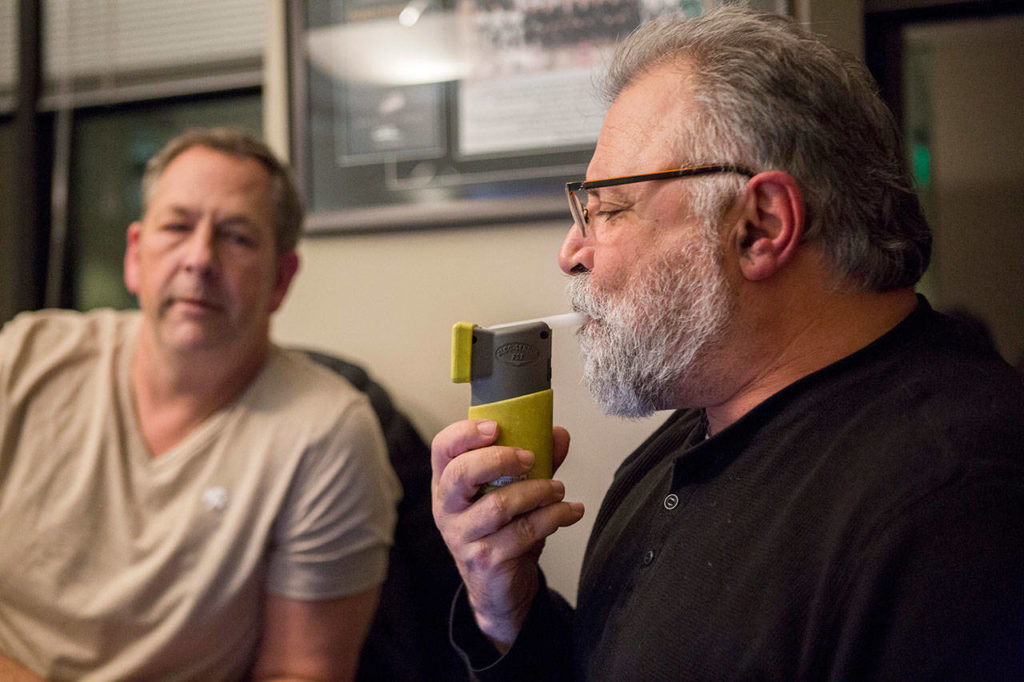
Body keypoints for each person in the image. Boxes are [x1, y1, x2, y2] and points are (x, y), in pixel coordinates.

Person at [431, 7, 1024, 681]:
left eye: (607, 208)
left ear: (759, 226)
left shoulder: (955, 508)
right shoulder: (686, 439)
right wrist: (509, 608)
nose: (571, 253)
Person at [0, 128, 401, 680]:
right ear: (136, 255)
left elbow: (300, 670)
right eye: (177, 226)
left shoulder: (327, 432)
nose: (199, 258)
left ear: (281, 280)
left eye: (236, 236)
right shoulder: (23, 359)